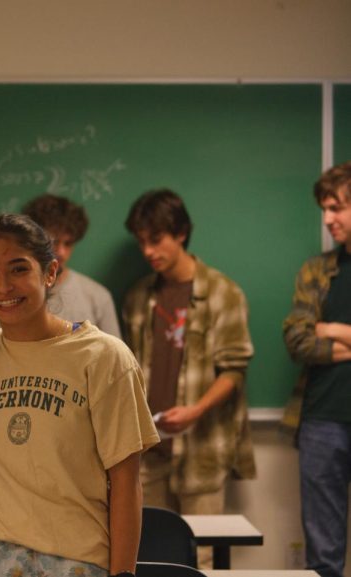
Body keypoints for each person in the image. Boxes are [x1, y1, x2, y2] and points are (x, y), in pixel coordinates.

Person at [0, 213, 157, 577]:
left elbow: (126, 481)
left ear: (50, 272)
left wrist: (123, 574)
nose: (3, 286)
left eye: (19, 269)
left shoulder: (104, 357)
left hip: (77, 562)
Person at [121, 189, 255, 535]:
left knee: (204, 553)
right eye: (141, 242)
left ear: (180, 233)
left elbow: (234, 370)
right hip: (149, 450)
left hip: (202, 450)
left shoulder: (223, 294)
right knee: (150, 553)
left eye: (156, 240)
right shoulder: (138, 298)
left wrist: (194, 411)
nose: (148, 251)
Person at [283, 161, 351, 577]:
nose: (328, 219)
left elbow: (316, 335)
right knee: (323, 558)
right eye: (324, 209)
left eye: (338, 208)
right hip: (322, 421)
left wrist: (335, 330)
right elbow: (298, 340)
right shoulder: (316, 270)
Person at [0, 194, 121, 337]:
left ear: (51, 272)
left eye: (68, 243)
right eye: (54, 241)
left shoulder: (97, 296)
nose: (61, 252)